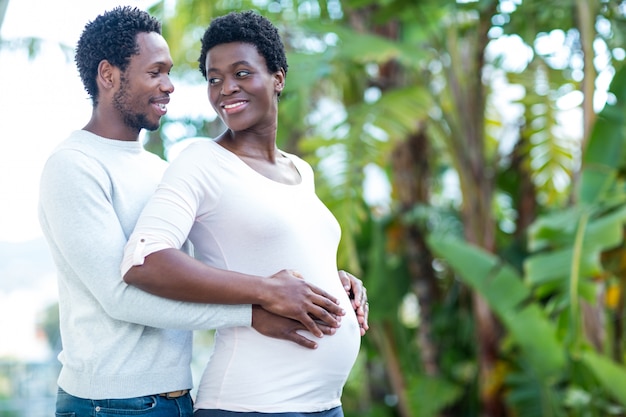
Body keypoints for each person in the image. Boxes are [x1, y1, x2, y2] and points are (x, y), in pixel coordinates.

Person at [39, 6, 365, 417]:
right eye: (155, 72)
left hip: (175, 394)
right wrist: (251, 311)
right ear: (108, 75)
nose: (170, 86)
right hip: (110, 402)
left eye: (170, 72)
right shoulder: (73, 165)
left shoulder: (160, 170)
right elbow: (122, 293)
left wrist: (325, 280)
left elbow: (222, 254)